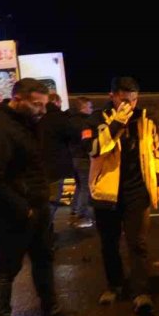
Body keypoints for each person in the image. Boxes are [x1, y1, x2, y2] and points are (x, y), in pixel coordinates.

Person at [0, 78, 87, 316]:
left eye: (44, 105)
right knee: (6, 270)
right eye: (36, 105)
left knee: (44, 261)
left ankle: (52, 313)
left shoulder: (27, 124)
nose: (41, 110)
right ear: (18, 99)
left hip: (37, 210)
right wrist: (22, 208)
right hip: (11, 215)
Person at [88, 76, 159, 316]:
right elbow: (94, 149)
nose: (130, 105)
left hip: (137, 191)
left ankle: (140, 292)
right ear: (112, 96)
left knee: (138, 243)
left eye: (133, 100)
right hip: (106, 191)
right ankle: (114, 285)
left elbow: (156, 152)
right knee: (109, 244)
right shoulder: (98, 119)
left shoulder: (146, 119)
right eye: (124, 100)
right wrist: (117, 123)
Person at [39, 92, 76, 223]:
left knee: (44, 199)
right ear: (56, 102)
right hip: (55, 165)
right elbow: (73, 135)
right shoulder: (59, 118)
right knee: (53, 199)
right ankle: (45, 230)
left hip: (40, 165)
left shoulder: (39, 118)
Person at [66, 97, 94, 228]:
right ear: (83, 108)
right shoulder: (85, 122)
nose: (92, 109)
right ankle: (81, 215)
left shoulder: (69, 121)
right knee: (85, 187)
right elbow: (86, 141)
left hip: (73, 157)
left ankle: (74, 211)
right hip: (83, 158)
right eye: (90, 107)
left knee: (79, 186)